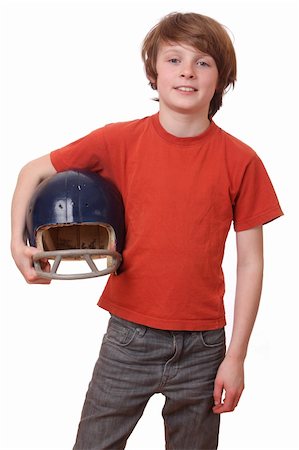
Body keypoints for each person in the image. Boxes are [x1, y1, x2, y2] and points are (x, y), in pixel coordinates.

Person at [11, 11, 283, 450]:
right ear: (153, 73)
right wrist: (17, 243)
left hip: (205, 345)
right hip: (129, 337)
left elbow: (251, 261)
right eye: (174, 60)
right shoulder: (118, 140)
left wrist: (236, 356)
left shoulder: (241, 160)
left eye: (203, 62)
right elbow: (32, 171)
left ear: (222, 80)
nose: (187, 72)